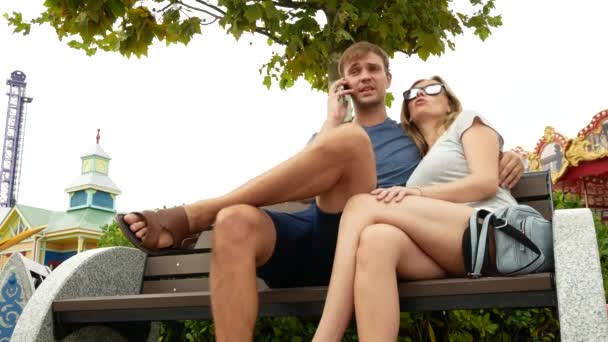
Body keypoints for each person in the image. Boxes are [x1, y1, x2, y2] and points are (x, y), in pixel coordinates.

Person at [117, 42, 523, 341]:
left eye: (372, 69)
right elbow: (299, 181)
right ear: (343, 82)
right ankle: (211, 215)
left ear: (387, 79)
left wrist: (514, 157)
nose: (364, 76)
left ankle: (194, 215)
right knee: (234, 220)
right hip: (313, 238)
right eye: (354, 71)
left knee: (351, 143)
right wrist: (331, 121)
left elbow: (458, 154)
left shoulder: (414, 136)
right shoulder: (326, 134)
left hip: (363, 243)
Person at [312, 76, 518, 342]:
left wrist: (417, 193)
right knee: (376, 240)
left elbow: (486, 182)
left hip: (494, 232)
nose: (420, 94)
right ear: (407, 113)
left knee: (360, 204)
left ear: (448, 102)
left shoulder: (467, 120)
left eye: (432, 88)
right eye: (411, 93)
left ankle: (325, 337)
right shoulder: (418, 156)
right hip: (451, 248)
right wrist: (334, 121)